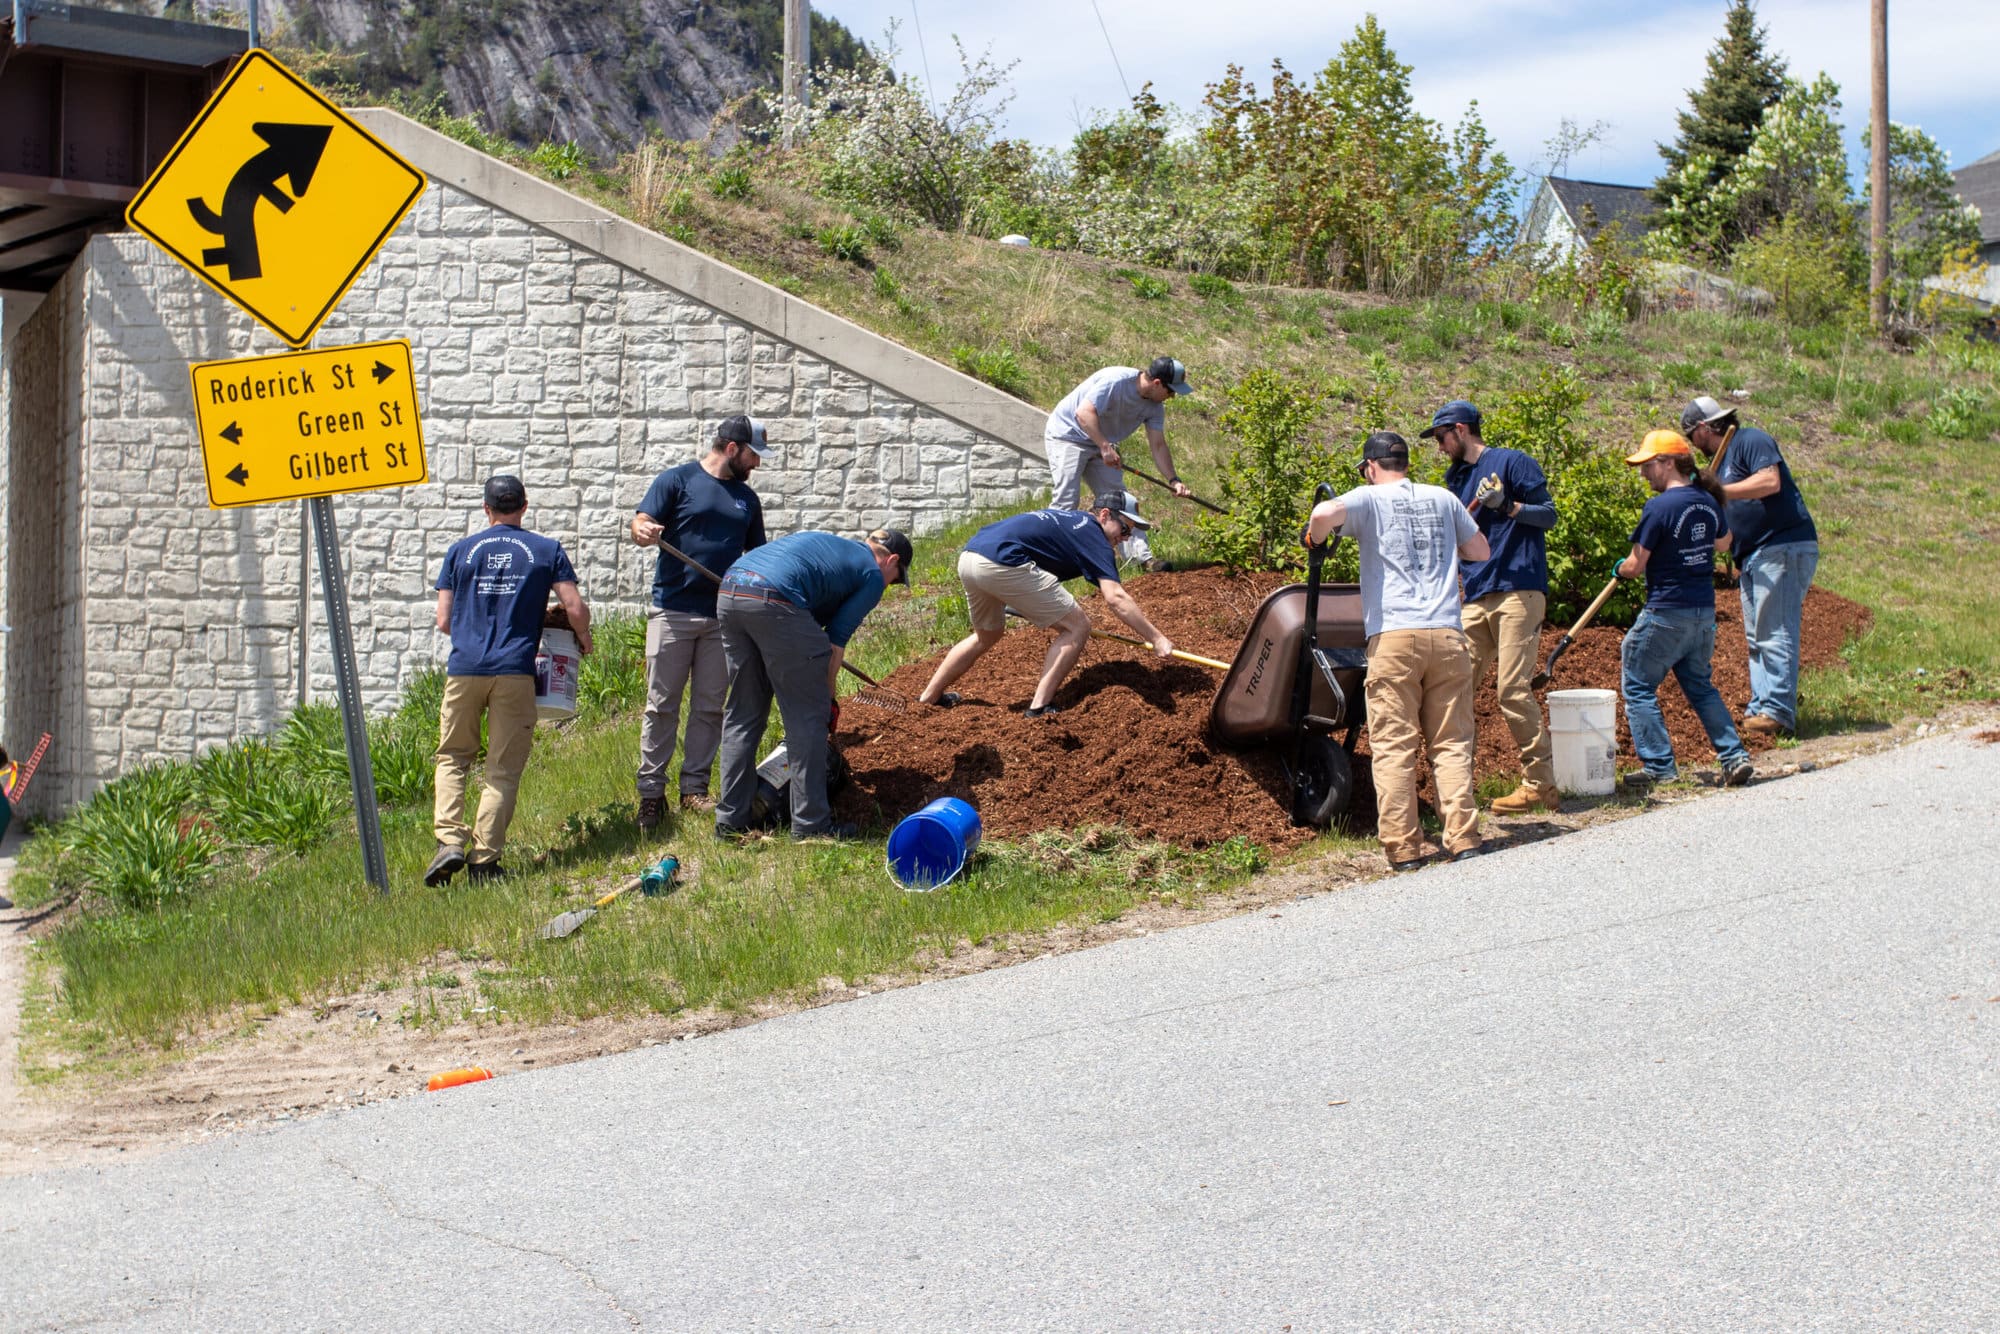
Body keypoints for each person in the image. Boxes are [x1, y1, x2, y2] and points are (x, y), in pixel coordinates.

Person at [1304, 431, 1490, 870]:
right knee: (1451, 742)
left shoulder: (1369, 498)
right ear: (1405, 462)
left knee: (1393, 745)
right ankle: (1463, 837)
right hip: (1447, 634)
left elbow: (1324, 511)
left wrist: (1314, 539)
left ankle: (1405, 848)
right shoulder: (1442, 498)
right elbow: (1479, 550)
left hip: (1394, 636)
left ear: (1371, 466)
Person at [428, 476, 593, 886]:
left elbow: (444, 620)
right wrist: (584, 639)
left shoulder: (459, 552)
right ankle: (484, 862)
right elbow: (572, 606)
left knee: (453, 756)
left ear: (486, 509)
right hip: (516, 671)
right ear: (524, 506)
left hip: (464, 669)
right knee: (501, 770)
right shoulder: (545, 549)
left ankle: (449, 840)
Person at [713, 528, 913, 842]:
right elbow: (834, 645)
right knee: (807, 718)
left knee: (743, 713)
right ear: (892, 560)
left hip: (732, 589)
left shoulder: (836, 549)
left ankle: (730, 821)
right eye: (896, 579)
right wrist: (828, 701)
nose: (890, 585)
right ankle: (811, 826)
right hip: (776, 598)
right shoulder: (872, 575)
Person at [628, 415, 769, 832]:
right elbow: (639, 522)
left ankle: (694, 791)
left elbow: (757, 555)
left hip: (720, 617)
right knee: (661, 705)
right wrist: (643, 529)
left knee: (709, 707)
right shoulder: (677, 480)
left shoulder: (747, 500)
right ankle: (652, 795)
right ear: (732, 448)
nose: (756, 464)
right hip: (671, 611)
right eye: (753, 455)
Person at [915, 492, 1174, 716]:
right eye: (1125, 529)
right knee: (1077, 627)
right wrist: (1156, 638)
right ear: (1105, 515)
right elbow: (1115, 597)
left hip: (971, 557)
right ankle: (1039, 708)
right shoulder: (1094, 534)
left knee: (987, 634)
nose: (1127, 538)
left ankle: (929, 698)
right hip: (1003, 563)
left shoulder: (1074, 520)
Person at [1425, 398, 1563, 815]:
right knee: (1453, 690)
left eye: (1440, 436)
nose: (1438, 445)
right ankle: (1455, 794)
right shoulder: (1455, 480)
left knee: (1512, 690)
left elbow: (1549, 516)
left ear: (1461, 429)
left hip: (1519, 590)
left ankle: (1541, 785)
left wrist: (1507, 506)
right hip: (1476, 596)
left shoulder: (1513, 463)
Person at [1615, 430, 1754, 791]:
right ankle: (1734, 756)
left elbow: (1635, 565)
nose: (1643, 473)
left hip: (1667, 611)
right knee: (1700, 687)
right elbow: (1724, 543)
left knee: (1638, 683)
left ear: (1668, 463)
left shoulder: (1659, 507)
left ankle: (1660, 766)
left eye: (1647, 466)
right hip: (1702, 614)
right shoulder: (1707, 501)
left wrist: (1620, 569)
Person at [1681, 395, 1819, 738]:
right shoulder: (1722, 460)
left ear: (1702, 428)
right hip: (1752, 556)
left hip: (1781, 545)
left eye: (1689, 435)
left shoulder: (1748, 440)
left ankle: (1778, 710)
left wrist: (1720, 490)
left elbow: (1770, 482)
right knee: (1758, 636)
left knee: (1775, 630)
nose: (1691, 444)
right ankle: (1762, 707)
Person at [1045, 357, 1194, 571]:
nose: (1171, 397)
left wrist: (1174, 479)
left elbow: (1158, 445)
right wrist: (1105, 447)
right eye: (1171, 391)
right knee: (1067, 497)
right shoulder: (1115, 380)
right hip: (1068, 435)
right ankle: (1049, 558)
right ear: (1157, 383)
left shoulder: (1155, 407)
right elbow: (1084, 413)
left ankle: (1141, 559)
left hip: (1101, 443)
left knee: (1121, 502)